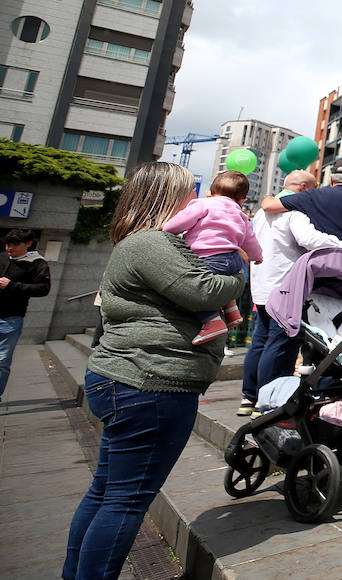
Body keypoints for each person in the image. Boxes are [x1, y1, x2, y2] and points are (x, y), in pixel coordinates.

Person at [63, 162, 243, 580]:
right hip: (151, 383)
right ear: (166, 198)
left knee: (107, 491)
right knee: (126, 500)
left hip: (129, 378)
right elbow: (205, 289)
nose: (195, 201)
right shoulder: (151, 244)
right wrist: (237, 265)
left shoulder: (140, 242)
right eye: (189, 192)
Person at [238, 169, 342, 416]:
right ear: (302, 189)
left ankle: (248, 398)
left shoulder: (260, 213)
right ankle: (266, 401)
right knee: (280, 345)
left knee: (259, 342)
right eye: (311, 190)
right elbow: (310, 239)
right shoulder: (294, 211)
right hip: (285, 285)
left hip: (261, 284)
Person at [159, 170, 264, 346]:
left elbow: (180, 222)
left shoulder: (202, 204)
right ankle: (231, 310)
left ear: (211, 192)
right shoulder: (241, 215)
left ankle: (210, 320)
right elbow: (250, 240)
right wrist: (257, 256)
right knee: (221, 281)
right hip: (233, 259)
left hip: (208, 258)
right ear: (242, 200)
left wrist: (166, 229)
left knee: (193, 289)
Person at [259, 157, 342, 250]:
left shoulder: (312, 196)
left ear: (332, 179)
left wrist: (266, 197)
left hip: (321, 264)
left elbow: (269, 207)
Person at [0, 227, 51, 399]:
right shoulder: (1, 257)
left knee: (2, 361)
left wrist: (13, 286)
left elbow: (44, 288)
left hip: (11, 318)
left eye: (14, 245)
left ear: (28, 244)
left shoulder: (37, 263)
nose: (9, 248)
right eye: (7, 244)